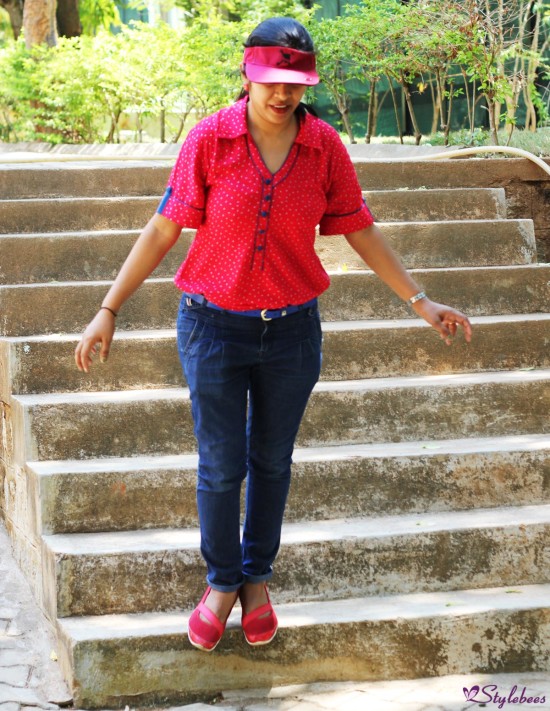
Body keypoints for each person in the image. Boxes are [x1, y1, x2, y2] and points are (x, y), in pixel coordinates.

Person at [74, 16, 472, 653]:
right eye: (270, 81)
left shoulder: (325, 148)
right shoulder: (210, 139)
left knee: (271, 462)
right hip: (212, 329)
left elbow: (359, 228)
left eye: (294, 83)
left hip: (291, 334)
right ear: (247, 75)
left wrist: (420, 300)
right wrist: (108, 309)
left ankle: (256, 578)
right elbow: (163, 228)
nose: (282, 95)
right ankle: (221, 582)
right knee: (221, 466)